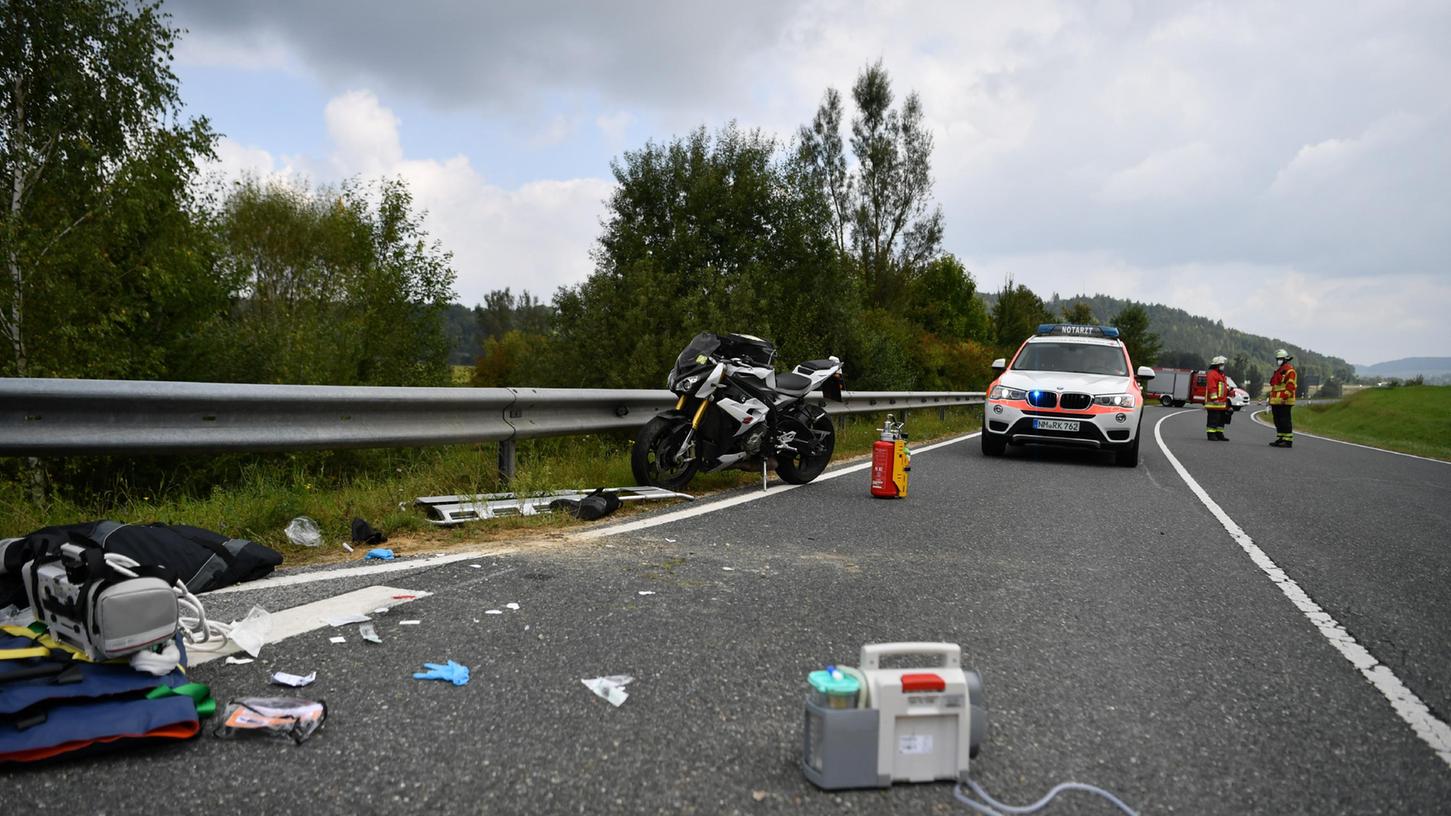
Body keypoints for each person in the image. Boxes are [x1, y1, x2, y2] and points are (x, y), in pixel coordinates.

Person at [1267, 349, 1297, 447]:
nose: (1278, 361)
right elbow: (1274, 385)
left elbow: (1291, 386)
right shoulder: (1279, 371)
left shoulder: (1290, 371)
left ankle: (1288, 440)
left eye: (1280, 359)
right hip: (1276, 401)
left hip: (1285, 401)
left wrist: (1284, 398)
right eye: (1277, 359)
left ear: (1285, 359)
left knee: (1285, 420)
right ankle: (1281, 438)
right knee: (1278, 420)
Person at [1205, 355, 1229, 441]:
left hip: (1221, 403)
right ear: (1216, 365)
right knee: (1213, 419)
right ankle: (1211, 434)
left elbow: (1223, 387)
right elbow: (1212, 387)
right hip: (1214, 403)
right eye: (1221, 364)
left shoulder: (1220, 374)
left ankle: (1219, 434)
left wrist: (1230, 391)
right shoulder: (1212, 373)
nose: (1223, 366)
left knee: (1221, 419)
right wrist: (1215, 399)